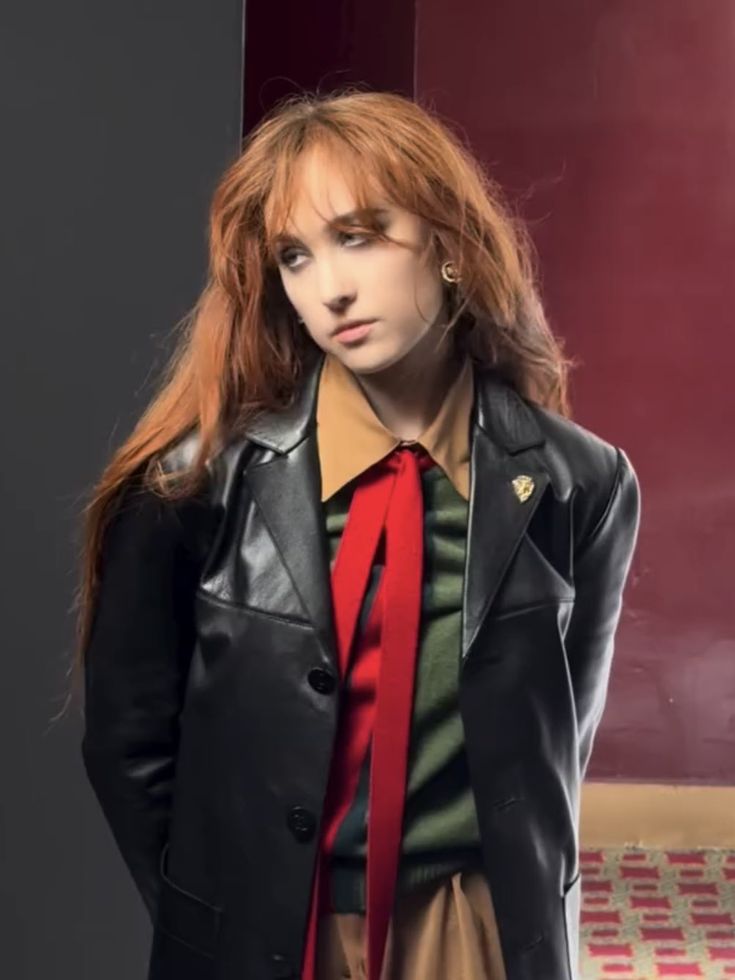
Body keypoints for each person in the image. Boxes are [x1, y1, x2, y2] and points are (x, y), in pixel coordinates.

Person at [74, 88, 642, 980]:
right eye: (294, 257)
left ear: (448, 244)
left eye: (360, 236)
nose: (329, 288)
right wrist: (214, 915)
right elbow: (129, 744)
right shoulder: (194, 487)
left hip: (475, 933)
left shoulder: (582, 484)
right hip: (269, 932)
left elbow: (556, 747)